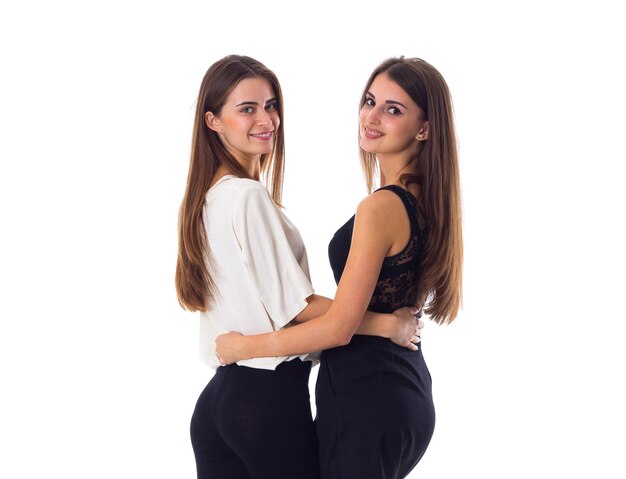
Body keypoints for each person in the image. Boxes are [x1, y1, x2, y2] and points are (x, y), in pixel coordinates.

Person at [175, 55, 422, 479]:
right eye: (247, 108)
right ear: (213, 121)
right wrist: (385, 325)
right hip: (265, 401)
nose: (266, 119)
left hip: (217, 402)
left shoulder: (206, 199)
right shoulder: (248, 197)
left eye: (271, 105)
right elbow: (299, 306)